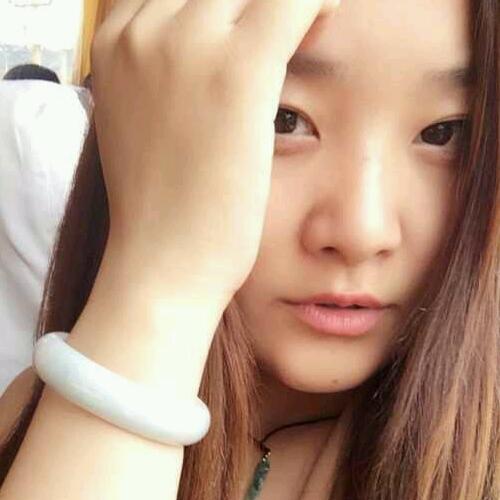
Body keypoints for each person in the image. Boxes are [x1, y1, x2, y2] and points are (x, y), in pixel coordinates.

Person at [0, 0, 498, 499]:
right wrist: (159, 287)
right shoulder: (36, 419)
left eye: (444, 133)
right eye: (283, 119)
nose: (362, 233)